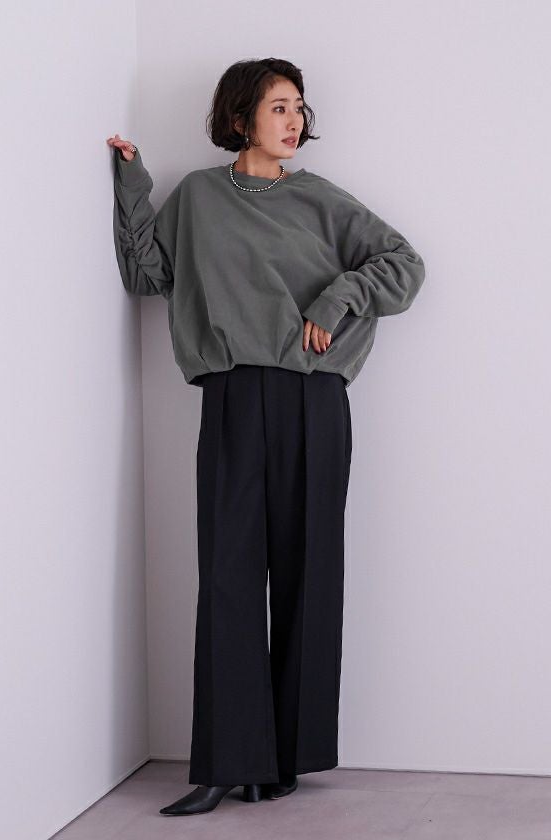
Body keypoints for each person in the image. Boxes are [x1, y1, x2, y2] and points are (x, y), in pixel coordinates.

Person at [106, 57, 425, 817]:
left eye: (300, 108)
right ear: (239, 116)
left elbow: (405, 265)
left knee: (310, 571)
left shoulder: (320, 199)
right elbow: (149, 274)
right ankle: (228, 761)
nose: (295, 121)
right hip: (232, 395)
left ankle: (286, 759)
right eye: (280, 106)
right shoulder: (199, 198)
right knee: (228, 574)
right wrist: (132, 184)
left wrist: (338, 297)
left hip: (314, 398)